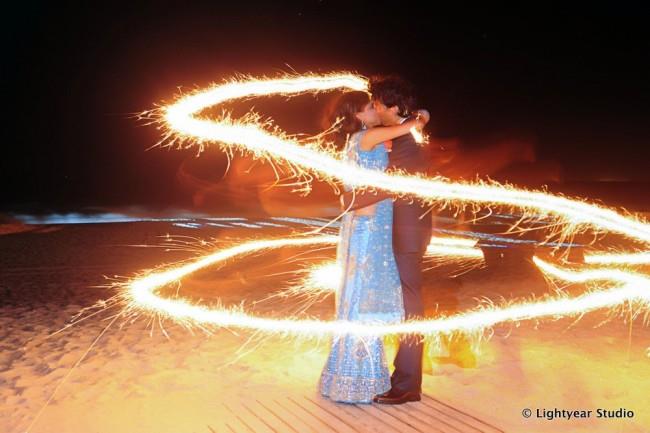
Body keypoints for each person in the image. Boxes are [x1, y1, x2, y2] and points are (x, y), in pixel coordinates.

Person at [318, 90, 428, 404]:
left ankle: (349, 376)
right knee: (362, 299)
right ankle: (359, 378)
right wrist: (420, 117)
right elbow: (412, 123)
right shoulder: (366, 138)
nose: (375, 110)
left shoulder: (361, 140)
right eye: (370, 107)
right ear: (358, 116)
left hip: (369, 225)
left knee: (360, 298)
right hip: (369, 228)